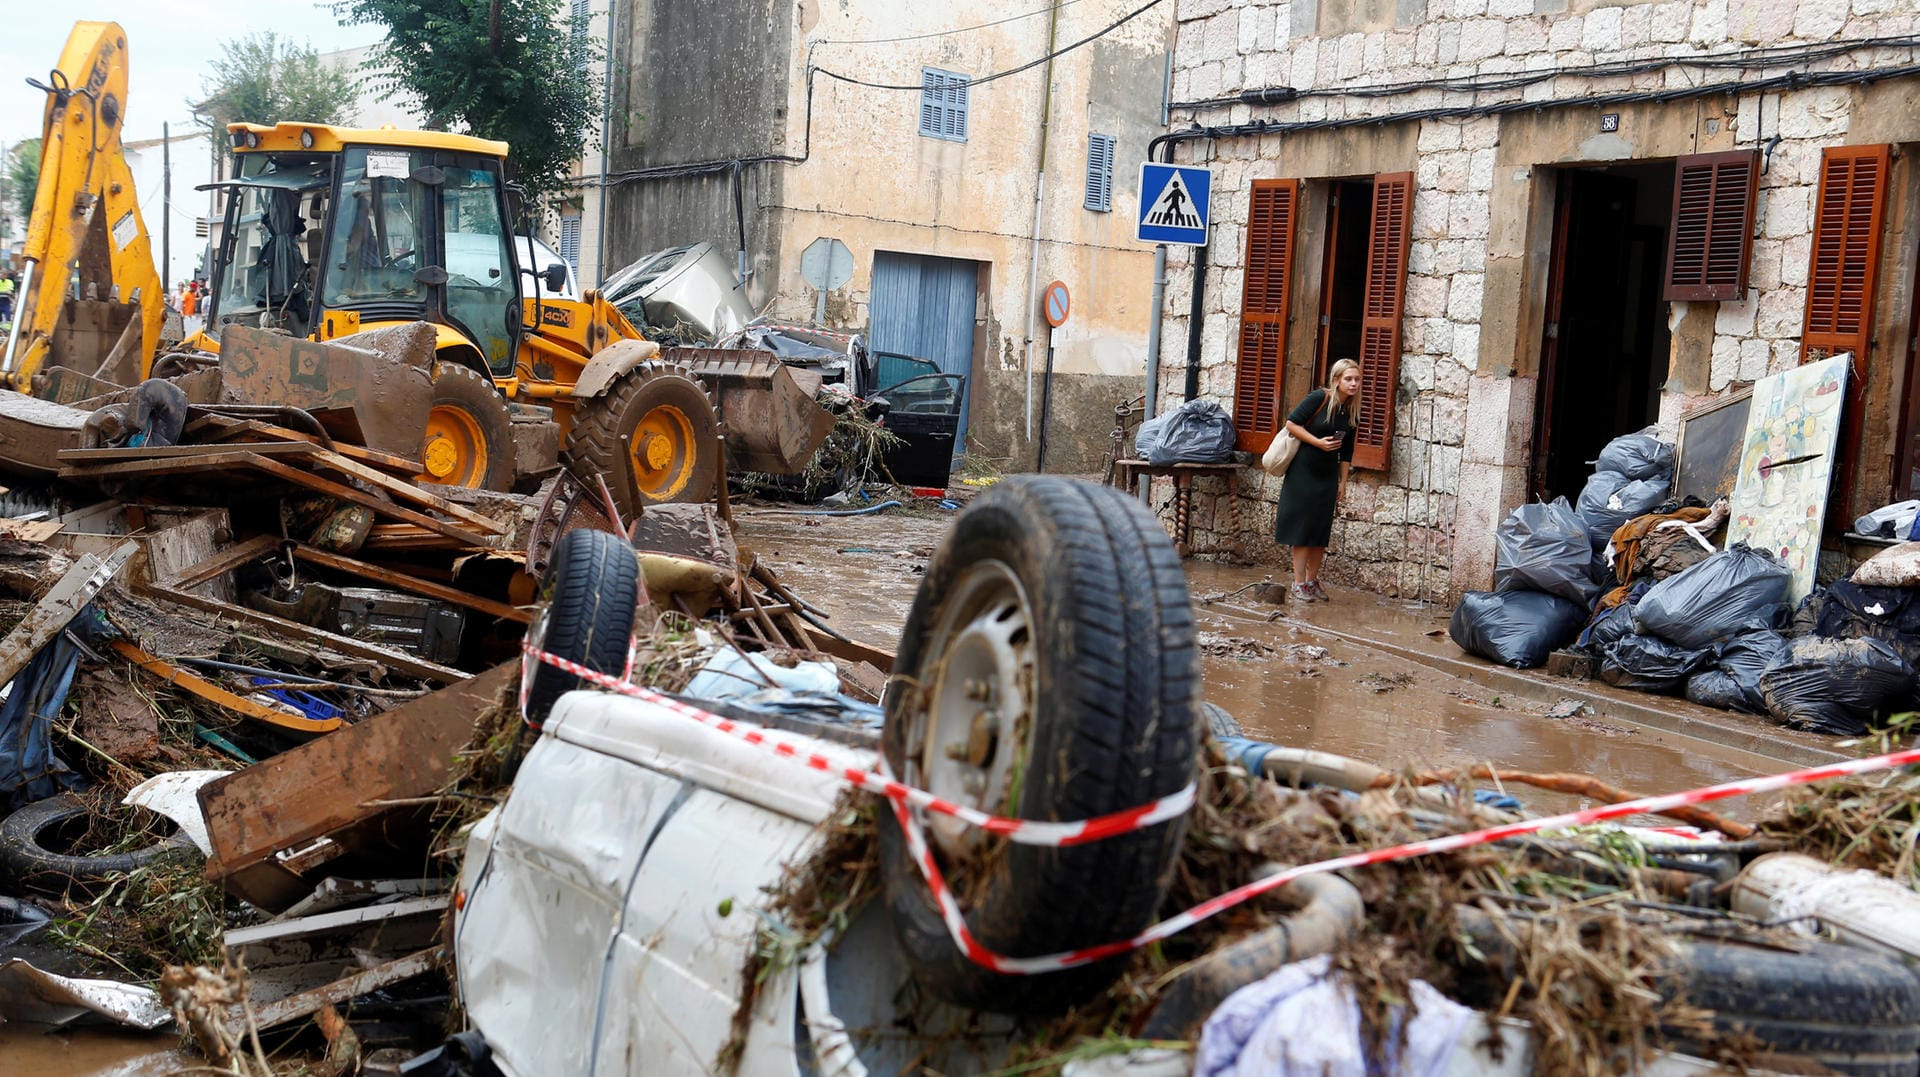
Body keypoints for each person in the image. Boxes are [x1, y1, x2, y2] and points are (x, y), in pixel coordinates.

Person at [1273, 358, 1360, 602]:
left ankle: (1312, 581)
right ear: (1337, 380)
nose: (1354, 384)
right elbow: (1292, 423)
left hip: (1327, 476)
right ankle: (1298, 583)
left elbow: (1347, 451)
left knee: (1320, 530)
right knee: (1302, 529)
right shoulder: (1318, 399)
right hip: (1303, 473)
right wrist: (1318, 442)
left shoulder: (1349, 410)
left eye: (1356, 379)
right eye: (1348, 379)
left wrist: (1343, 482)